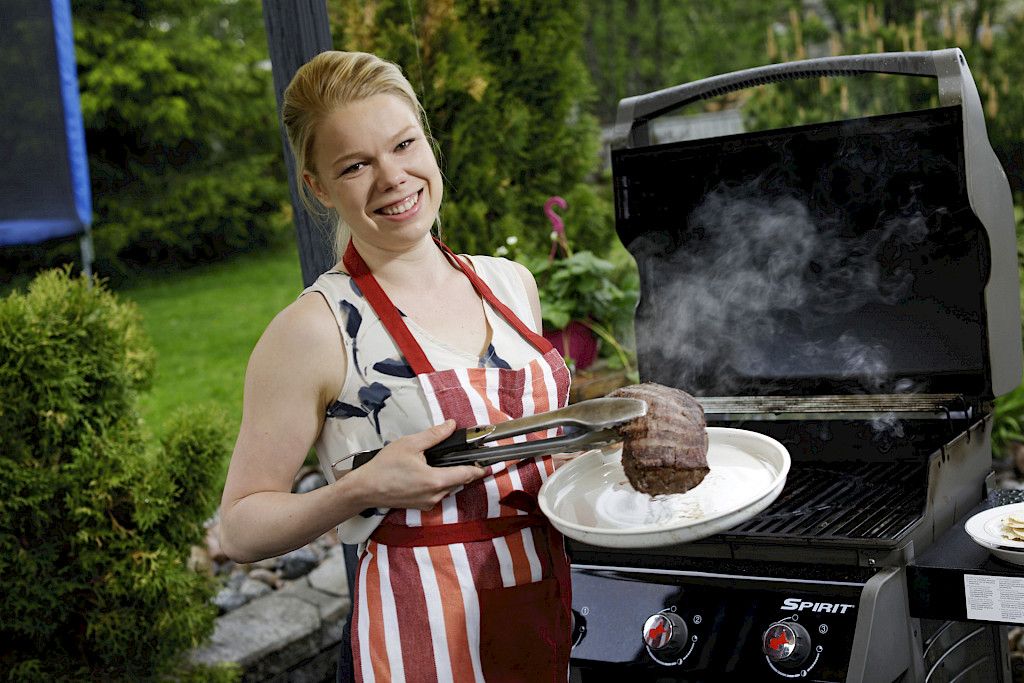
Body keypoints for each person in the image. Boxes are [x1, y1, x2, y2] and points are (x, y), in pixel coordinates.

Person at [218, 50, 574, 682]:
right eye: (355, 165)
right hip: (425, 636)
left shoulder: (510, 284)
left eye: (404, 144)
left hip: (541, 604)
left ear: (427, 143)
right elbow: (242, 527)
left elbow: (525, 459)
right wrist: (362, 488)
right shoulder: (315, 329)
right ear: (318, 188)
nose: (392, 178)